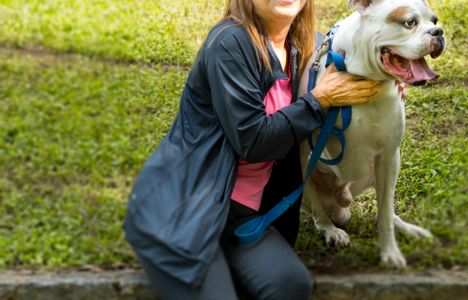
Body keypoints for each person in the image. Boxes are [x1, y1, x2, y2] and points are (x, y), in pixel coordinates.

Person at [122, 0, 384, 299]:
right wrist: (318, 100)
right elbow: (254, 141)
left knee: (290, 285)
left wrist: (390, 78)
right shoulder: (229, 43)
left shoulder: (309, 46)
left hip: (240, 217)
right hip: (185, 210)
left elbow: (359, 56)